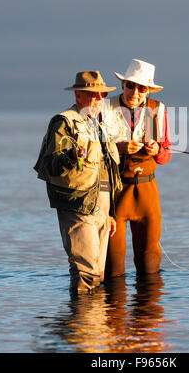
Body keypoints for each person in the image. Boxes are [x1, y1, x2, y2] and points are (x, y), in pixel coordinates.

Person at [34, 71, 122, 294]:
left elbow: (106, 173)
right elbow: (49, 165)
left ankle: (95, 326)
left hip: (102, 210)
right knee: (85, 273)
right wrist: (71, 156)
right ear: (78, 96)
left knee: (98, 274)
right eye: (90, 94)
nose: (97, 99)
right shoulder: (63, 122)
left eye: (101, 95)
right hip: (77, 207)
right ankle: (82, 326)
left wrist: (110, 213)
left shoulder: (100, 126)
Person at [104, 59, 172, 277]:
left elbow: (165, 155)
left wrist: (156, 150)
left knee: (149, 260)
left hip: (147, 192)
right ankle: (113, 309)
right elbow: (94, 149)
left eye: (141, 88)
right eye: (130, 85)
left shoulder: (157, 110)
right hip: (114, 189)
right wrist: (120, 148)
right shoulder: (106, 107)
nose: (135, 92)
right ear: (123, 85)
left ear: (148, 91)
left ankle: (149, 309)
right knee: (113, 263)